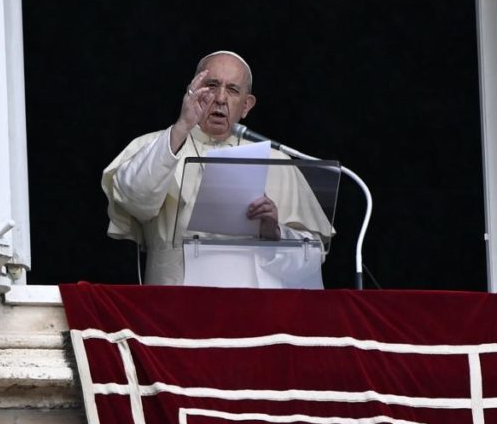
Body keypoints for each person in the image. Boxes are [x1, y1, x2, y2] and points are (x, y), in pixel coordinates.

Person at [102, 50, 333, 286]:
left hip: (257, 312)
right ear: (192, 91)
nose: (221, 98)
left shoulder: (278, 162)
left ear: (246, 105)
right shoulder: (153, 146)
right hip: (173, 303)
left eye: (232, 90)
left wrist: (274, 233)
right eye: (211, 86)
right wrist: (182, 126)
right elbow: (134, 201)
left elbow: (313, 257)